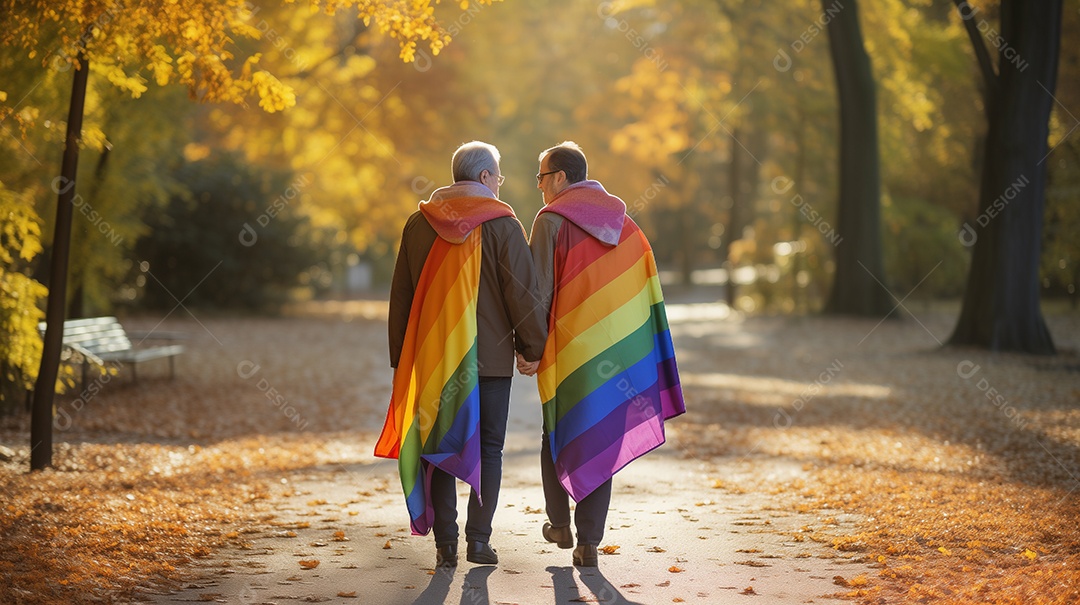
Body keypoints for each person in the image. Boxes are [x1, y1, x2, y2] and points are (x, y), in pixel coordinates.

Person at [375, 141, 547, 569]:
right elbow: (522, 294)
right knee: (489, 448)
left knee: (440, 446)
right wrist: (533, 348)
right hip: (488, 362)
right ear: (486, 177)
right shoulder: (503, 225)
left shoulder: (420, 224)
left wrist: (403, 356)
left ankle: (445, 545)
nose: (500, 185)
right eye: (500, 176)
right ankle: (479, 541)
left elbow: (402, 295)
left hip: (434, 360)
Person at [519, 141, 685, 567]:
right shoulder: (627, 225)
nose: (539, 188)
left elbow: (536, 292)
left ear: (559, 177)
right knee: (603, 436)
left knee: (556, 431)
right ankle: (588, 542)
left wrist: (531, 350)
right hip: (618, 355)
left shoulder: (550, 220)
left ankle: (559, 523)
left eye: (541, 178)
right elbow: (645, 287)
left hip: (567, 352)